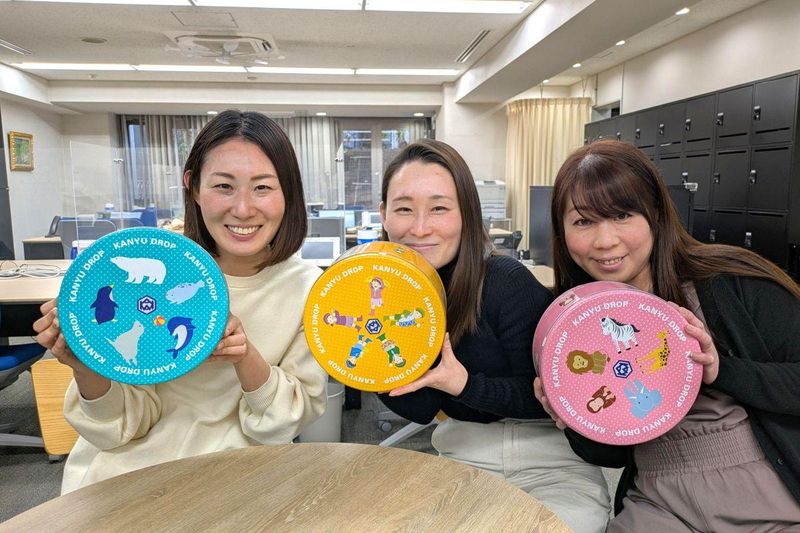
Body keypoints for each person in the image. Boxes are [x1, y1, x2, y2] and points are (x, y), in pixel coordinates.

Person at [34, 110, 328, 494]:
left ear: (289, 193)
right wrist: (86, 363)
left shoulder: (310, 289)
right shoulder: (159, 260)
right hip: (128, 475)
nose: (243, 209)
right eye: (223, 186)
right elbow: (117, 429)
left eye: (262, 187)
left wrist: (244, 356)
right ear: (193, 187)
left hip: (240, 479)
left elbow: (282, 422)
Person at [534, 139, 800, 531]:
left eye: (622, 215)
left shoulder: (733, 281)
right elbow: (611, 456)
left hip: (767, 499)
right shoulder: (575, 323)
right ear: (562, 231)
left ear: (656, 214)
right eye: (583, 222)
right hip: (660, 502)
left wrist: (720, 370)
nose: (604, 241)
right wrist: (575, 417)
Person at [377, 139, 611, 532]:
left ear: (466, 214)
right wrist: (370, 366)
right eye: (403, 209)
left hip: (550, 463)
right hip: (463, 457)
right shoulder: (384, 298)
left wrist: (465, 385)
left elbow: (560, 396)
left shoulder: (506, 282)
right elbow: (420, 408)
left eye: (439, 208)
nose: (419, 227)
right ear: (383, 214)